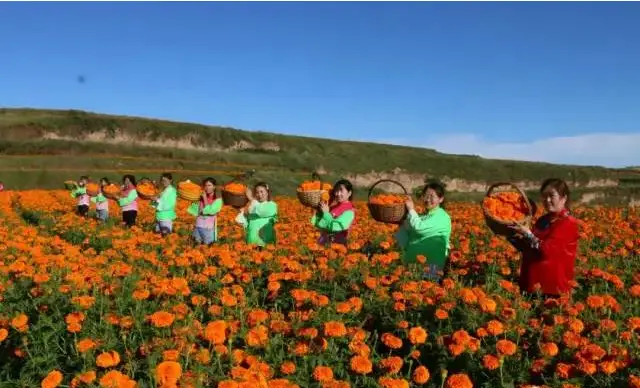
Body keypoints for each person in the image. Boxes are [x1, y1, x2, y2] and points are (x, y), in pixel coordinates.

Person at [508, 178, 580, 298]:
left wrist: (527, 233)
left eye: (551, 196)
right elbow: (529, 248)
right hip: (531, 283)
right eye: (544, 196)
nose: (547, 200)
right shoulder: (543, 220)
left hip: (552, 289)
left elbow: (547, 250)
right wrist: (511, 235)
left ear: (564, 198)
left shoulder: (568, 223)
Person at [394, 181, 452, 282]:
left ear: (441, 199)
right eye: (425, 196)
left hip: (431, 268)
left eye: (432, 196)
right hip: (413, 265)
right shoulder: (423, 216)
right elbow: (404, 233)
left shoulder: (442, 217)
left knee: (427, 293)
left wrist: (411, 209)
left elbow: (419, 228)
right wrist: (401, 221)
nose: (428, 199)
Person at [311, 179, 356, 246]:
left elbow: (336, 227)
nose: (337, 193)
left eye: (341, 190)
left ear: (349, 193)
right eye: (336, 190)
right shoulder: (334, 207)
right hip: (324, 244)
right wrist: (318, 211)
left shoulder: (350, 210)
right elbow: (321, 225)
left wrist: (326, 213)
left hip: (337, 247)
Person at [235, 182, 278, 247]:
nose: (259, 194)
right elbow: (240, 221)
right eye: (257, 192)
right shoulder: (252, 205)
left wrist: (251, 199)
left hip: (265, 242)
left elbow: (260, 211)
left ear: (267, 192)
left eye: (261, 191)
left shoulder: (272, 205)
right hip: (251, 242)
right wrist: (241, 210)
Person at [187, 177, 223, 245]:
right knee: (195, 247)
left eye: (209, 185)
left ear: (214, 187)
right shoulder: (200, 198)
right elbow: (195, 212)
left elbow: (210, 211)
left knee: (207, 249)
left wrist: (205, 198)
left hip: (208, 229)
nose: (207, 187)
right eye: (205, 185)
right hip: (198, 226)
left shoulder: (218, 201)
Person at [151, 173, 177, 237]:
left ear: (170, 180)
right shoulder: (163, 191)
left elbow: (168, 205)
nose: (163, 182)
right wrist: (153, 200)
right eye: (162, 180)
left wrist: (156, 200)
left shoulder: (172, 191)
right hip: (159, 217)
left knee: (166, 238)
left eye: (165, 180)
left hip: (166, 218)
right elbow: (155, 205)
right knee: (158, 238)